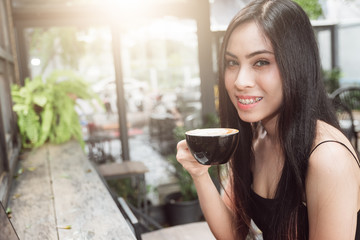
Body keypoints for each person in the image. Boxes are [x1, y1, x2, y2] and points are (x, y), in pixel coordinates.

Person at [176, 0, 360, 239]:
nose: (240, 81)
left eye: (261, 62)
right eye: (232, 63)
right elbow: (232, 233)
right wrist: (199, 173)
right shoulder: (254, 137)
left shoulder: (328, 158)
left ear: (297, 65)